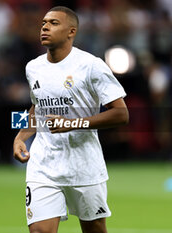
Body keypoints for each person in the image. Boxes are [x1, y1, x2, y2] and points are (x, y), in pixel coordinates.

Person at [13, 6, 129, 233]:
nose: (45, 27)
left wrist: (72, 124)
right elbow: (38, 106)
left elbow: (121, 113)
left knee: (94, 229)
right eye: (44, 23)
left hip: (84, 165)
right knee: (40, 231)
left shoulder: (91, 66)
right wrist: (20, 136)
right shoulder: (33, 67)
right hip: (43, 165)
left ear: (71, 32)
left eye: (54, 23)